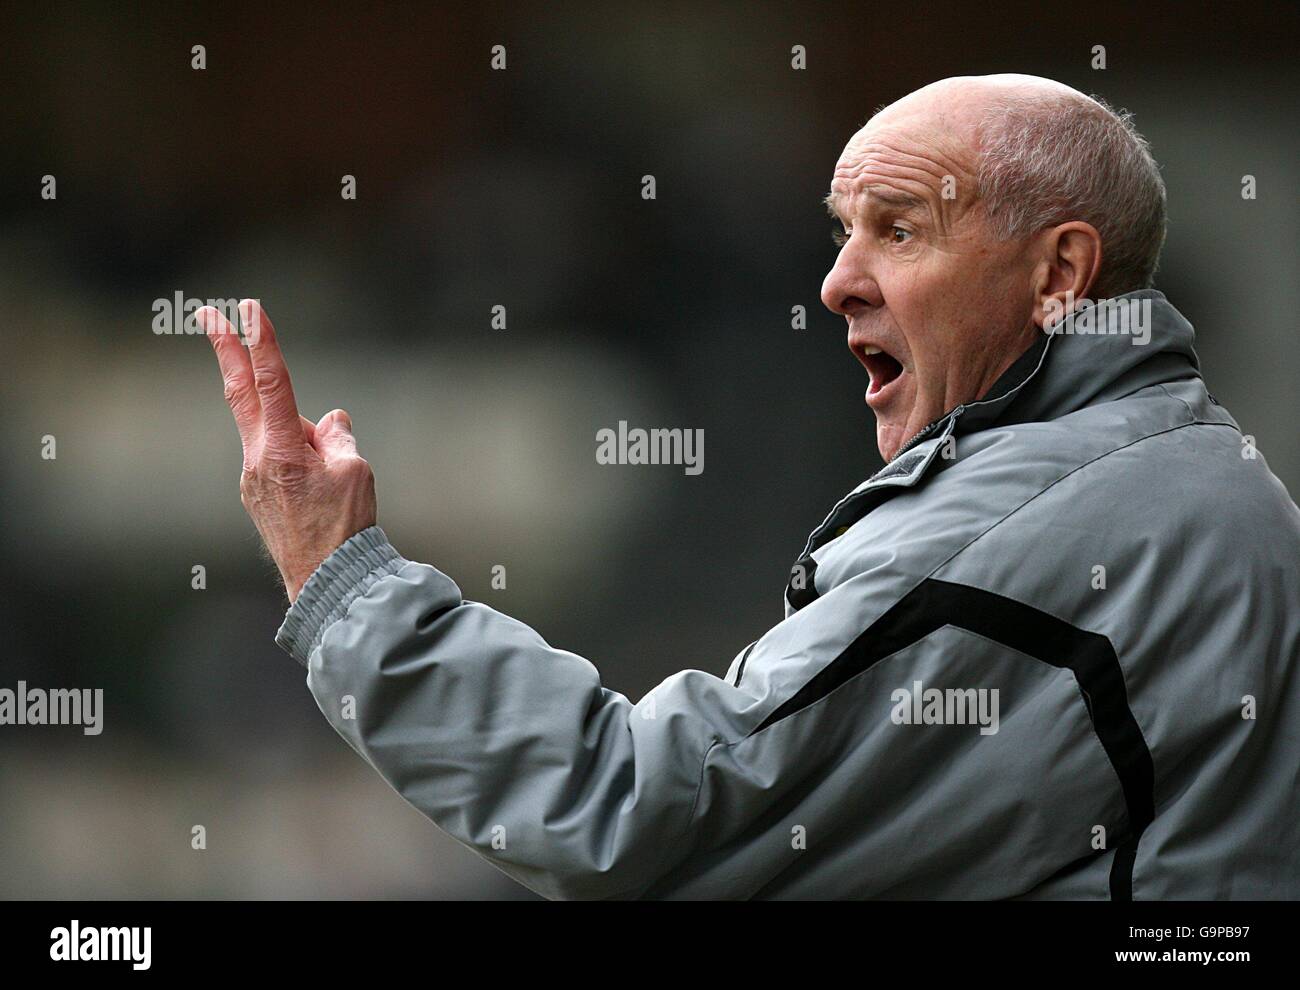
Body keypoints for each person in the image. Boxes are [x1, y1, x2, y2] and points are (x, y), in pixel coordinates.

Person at [198, 74, 1300, 899]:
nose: (835, 281)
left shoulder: (1017, 533)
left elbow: (626, 811)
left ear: (1058, 274)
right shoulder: (1202, 474)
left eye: (900, 229)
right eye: (843, 230)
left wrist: (340, 576)